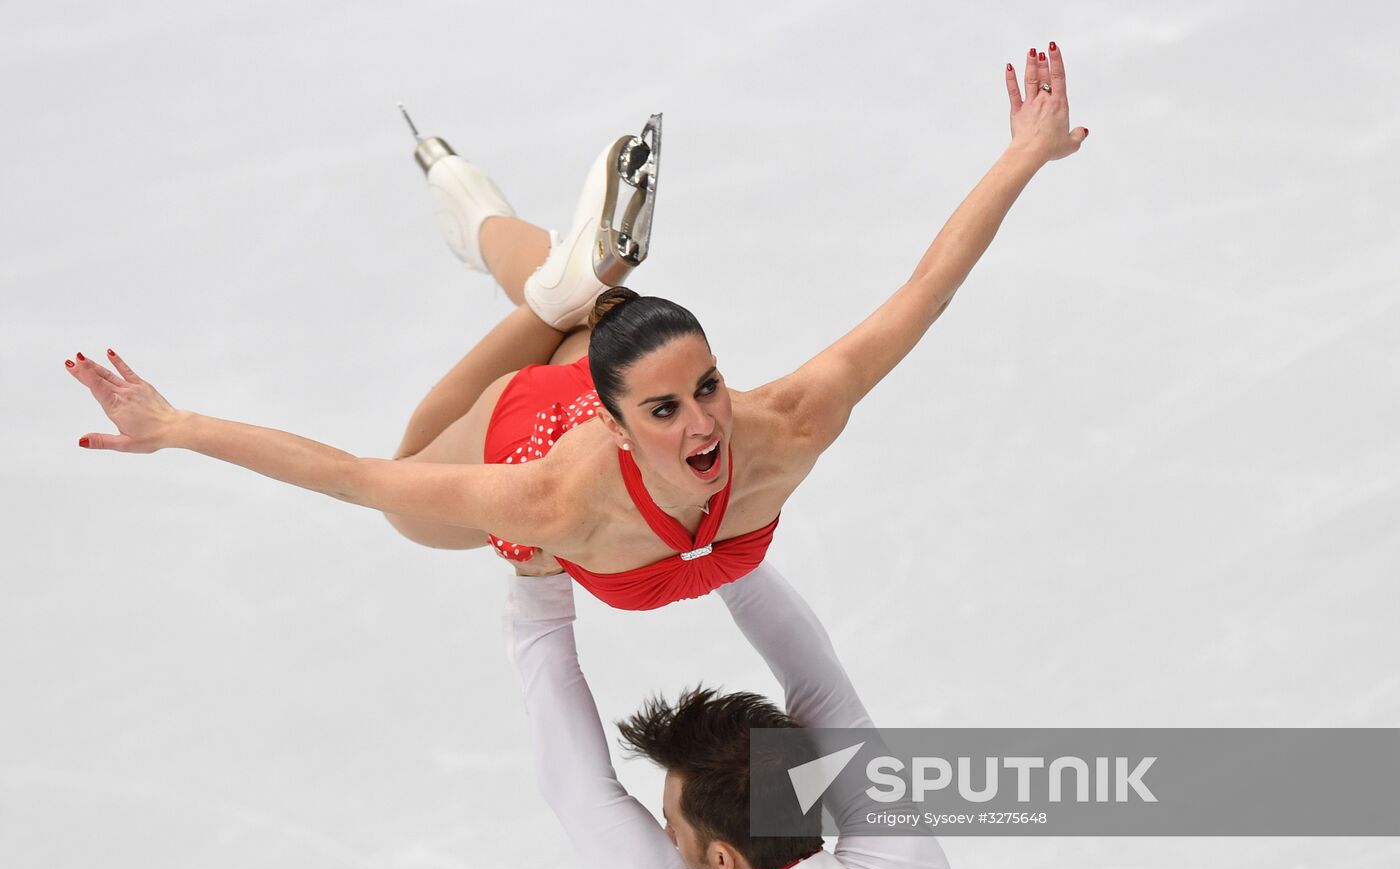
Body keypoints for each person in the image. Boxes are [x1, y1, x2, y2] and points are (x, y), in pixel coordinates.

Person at [66, 46, 1088, 611]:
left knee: (568, 305)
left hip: (595, 373)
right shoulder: (552, 492)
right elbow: (350, 476)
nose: (703, 420)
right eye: (664, 407)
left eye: (706, 387)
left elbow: (922, 293)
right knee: (411, 503)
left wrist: (1022, 155)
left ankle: (557, 287)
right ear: (609, 420)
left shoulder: (786, 423)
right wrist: (178, 425)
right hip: (526, 419)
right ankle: (552, 298)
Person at [504, 559, 956, 869]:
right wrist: (722, 543)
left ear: (723, 860)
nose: (664, 840)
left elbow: (581, 793)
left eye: (672, 828)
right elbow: (820, 687)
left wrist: (539, 575)